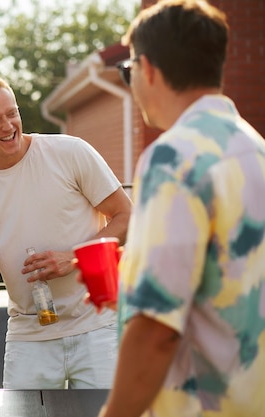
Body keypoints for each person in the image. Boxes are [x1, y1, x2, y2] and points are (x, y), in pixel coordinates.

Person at [99, 1, 265, 416]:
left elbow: (157, 330)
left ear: (148, 68)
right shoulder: (255, 151)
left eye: (128, 70)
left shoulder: (173, 158)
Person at [0, 71, 133, 389]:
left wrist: (73, 257)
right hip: (28, 337)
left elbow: (126, 216)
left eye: (11, 113)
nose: (8, 126)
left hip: (98, 326)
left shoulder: (70, 152)